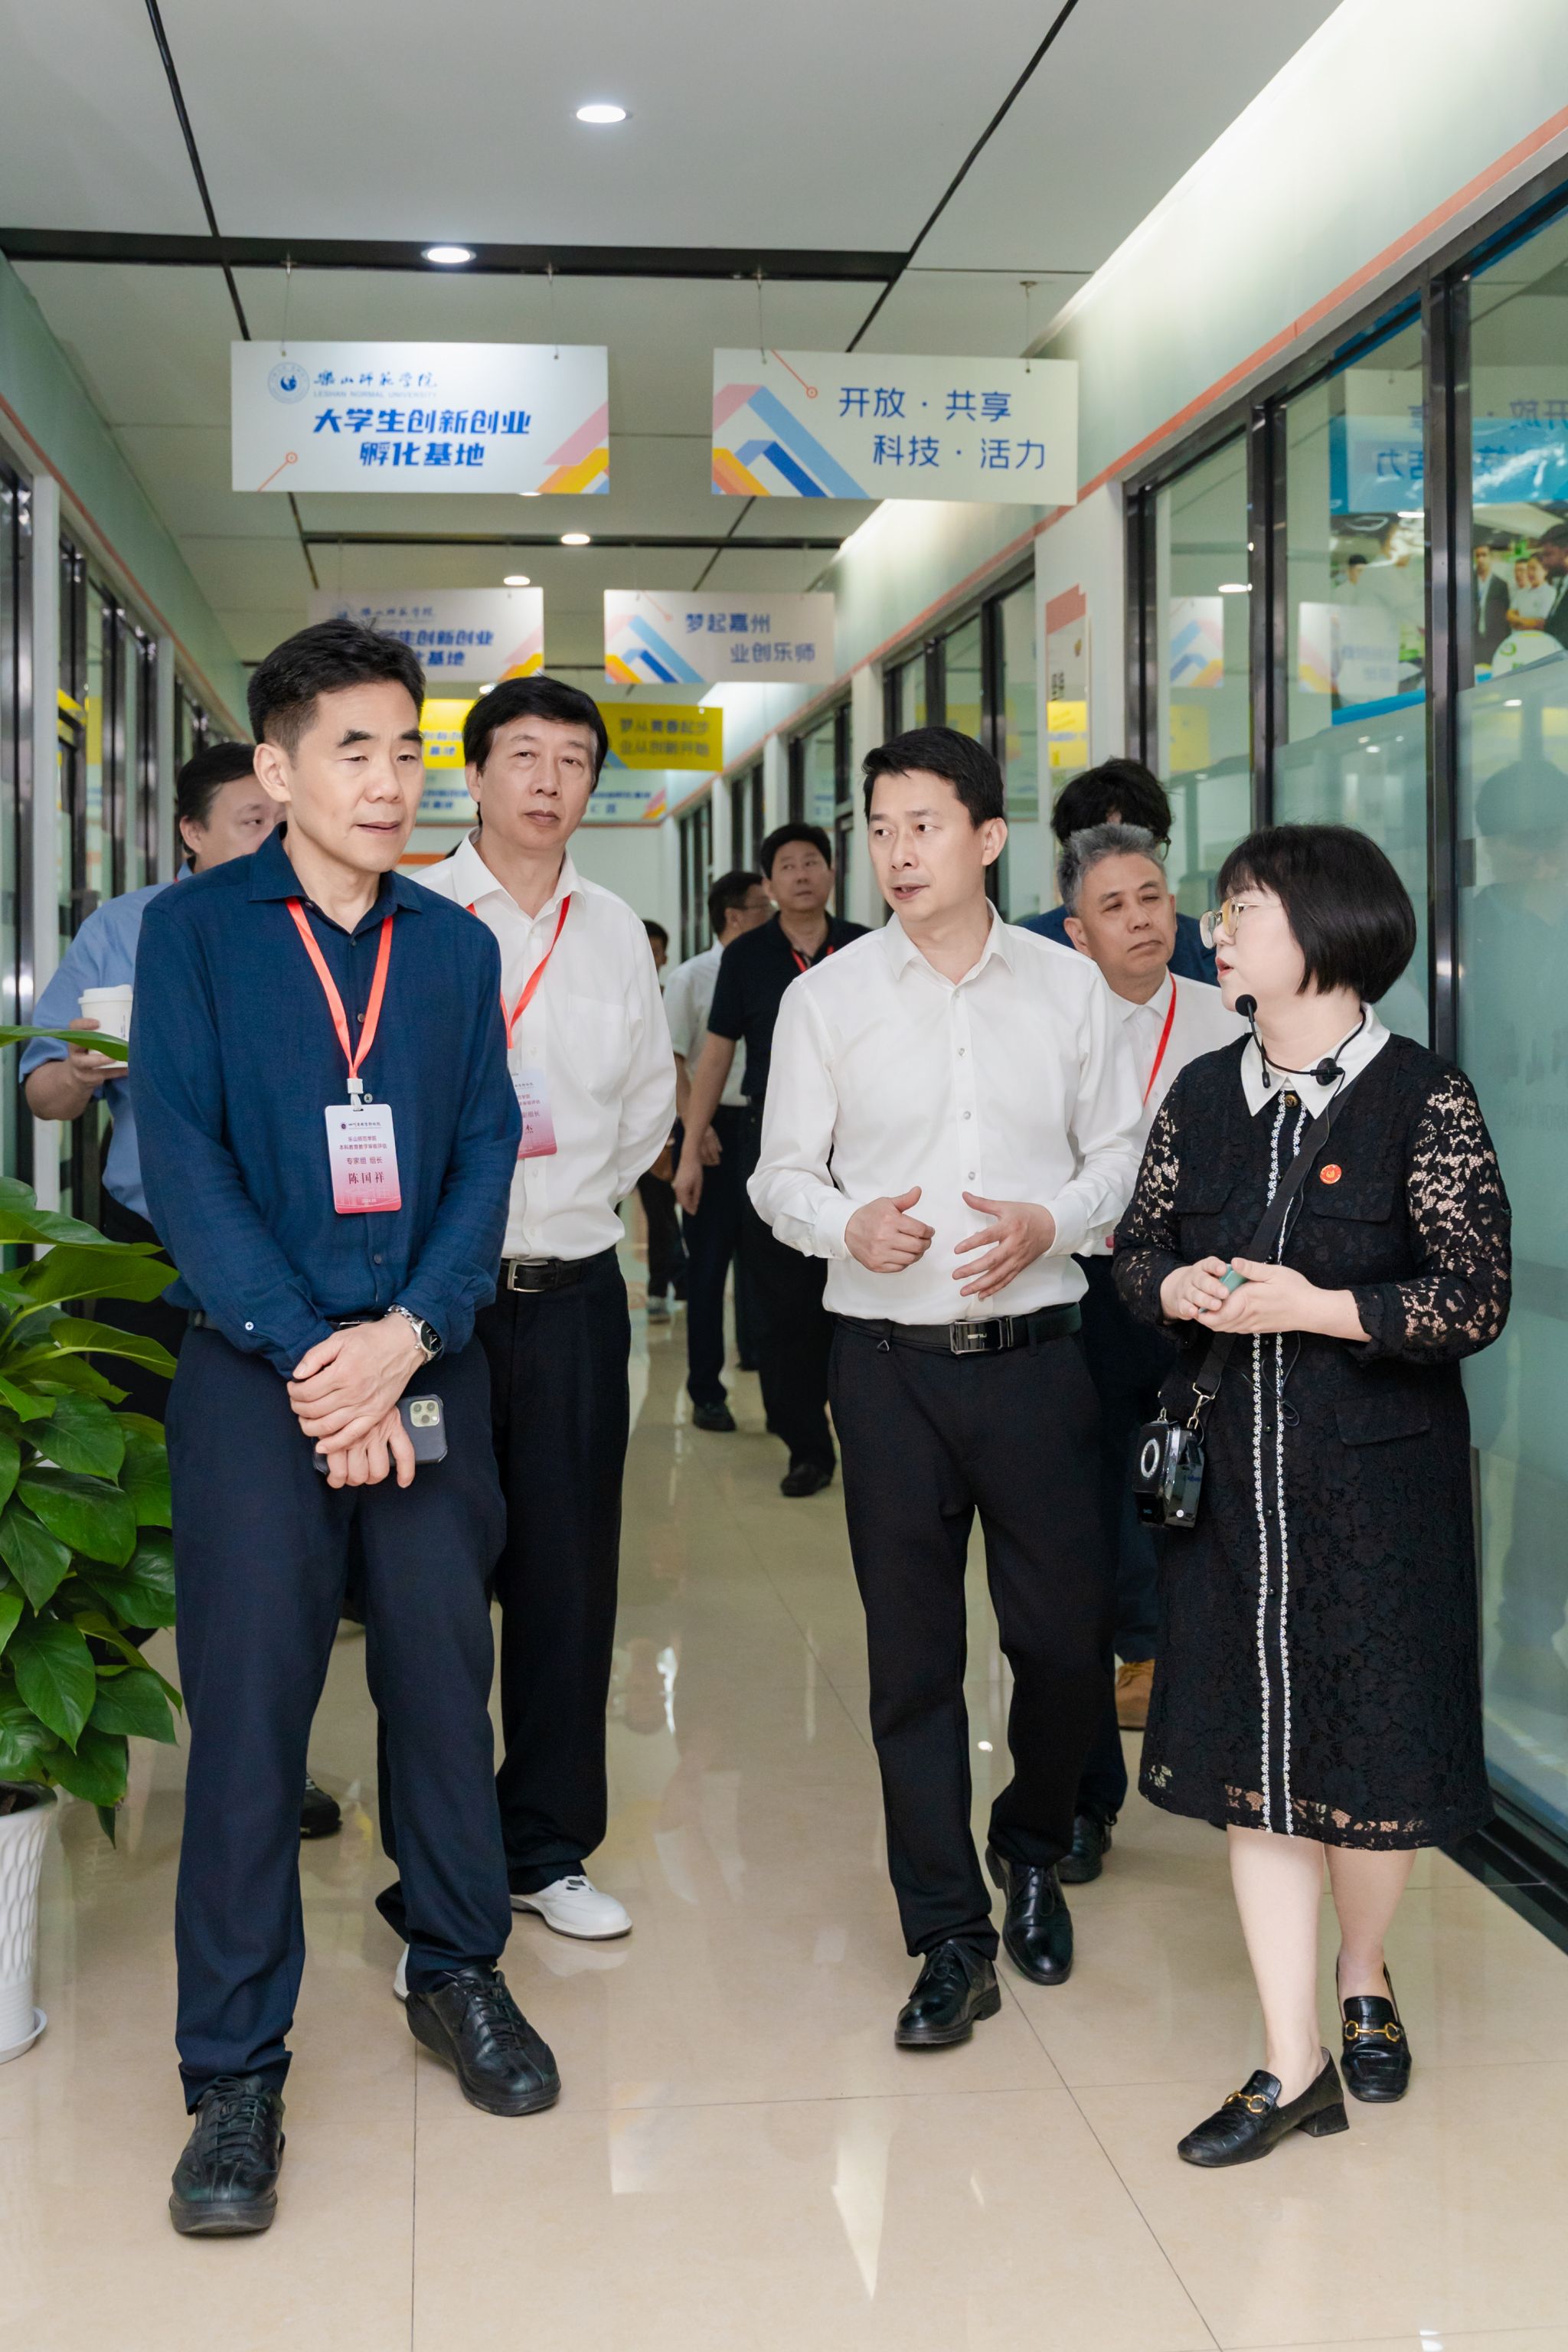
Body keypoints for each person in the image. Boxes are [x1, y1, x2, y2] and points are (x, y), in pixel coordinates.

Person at [136, 620, 557, 2240]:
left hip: (422, 1361)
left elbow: (481, 1150)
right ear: (279, 767)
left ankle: (456, 1968)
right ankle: (235, 2069)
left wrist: (405, 1340)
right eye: (353, 750)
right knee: (250, 1723)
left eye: (405, 750)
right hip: (261, 1382)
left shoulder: (447, 948)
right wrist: (323, 1362)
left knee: (445, 1690)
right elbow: (185, 1163)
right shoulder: (195, 935)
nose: (389, 782)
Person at [1111, 822, 1510, 2167]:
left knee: (1370, 1763)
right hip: (1231, 1487)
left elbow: (1472, 1295)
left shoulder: (1424, 1097)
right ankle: (1291, 2064)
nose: (1213, 932)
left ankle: (1362, 1967)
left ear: (1327, 932)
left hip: (1374, 1496)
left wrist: (1321, 1306)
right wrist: (1173, 1285)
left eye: (1243, 910)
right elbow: (1136, 1250)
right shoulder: (1200, 1093)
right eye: (1220, 910)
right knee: (1254, 1768)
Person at [751, 726, 1143, 2047]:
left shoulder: (1069, 988)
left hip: (1038, 1362)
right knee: (912, 1663)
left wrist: (1051, 1220)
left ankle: (1032, 1847)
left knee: (1061, 1642)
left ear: (987, 837)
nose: (897, 851)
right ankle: (947, 1933)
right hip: (886, 1371)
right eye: (880, 828)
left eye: (923, 824)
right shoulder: (828, 999)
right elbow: (780, 1174)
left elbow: (1118, 1152)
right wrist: (843, 1223)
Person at [23, 740, 340, 1843]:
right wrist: (83, 1068)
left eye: (280, 817)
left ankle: (264, 1766)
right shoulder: (126, 929)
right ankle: (86, 1736)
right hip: (151, 1254)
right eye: (250, 820)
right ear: (192, 835)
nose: (272, 836)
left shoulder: (323, 919)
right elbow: (44, 1093)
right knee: (132, 1506)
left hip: (292, 1255)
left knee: (275, 1528)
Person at [415, 675, 674, 1945]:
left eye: (573, 760)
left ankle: (547, 1848)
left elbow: (645, 1108)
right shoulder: (413, 914)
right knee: (432, 1588)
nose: (547, 781)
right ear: (473, 776)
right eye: (522, 755)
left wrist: (566, 1205)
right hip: (437, 1310)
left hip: (572, 1294)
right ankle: (442, 1861)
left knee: (569, 1584)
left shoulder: (614, 928)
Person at [1052, 823, 1246, 1880]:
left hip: (1197, 1306)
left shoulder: (1229, 1019)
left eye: (1153, 897)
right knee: (1075, 1555)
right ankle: (1086, 1797)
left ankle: (1219, 1773)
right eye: (1113, 906)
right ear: (1076, 931)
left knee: (1206, 1544)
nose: (1140, 919)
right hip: (1079, 1303)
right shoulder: (1046, 1023)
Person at [675, 822, 866, 1496]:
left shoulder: (867, 946)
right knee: (783, 1301)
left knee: (862, 1292)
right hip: (773, 1140)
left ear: (832, 872)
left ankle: (867, 1431)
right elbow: (716, 1055)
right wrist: (691, 1147)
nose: (802, 874)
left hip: (860, 1141)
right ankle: (806, 1444)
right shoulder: (747, 956)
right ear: (770, 883)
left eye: (813, 862)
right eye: (788, 865)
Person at [663, 867, 772, 1429]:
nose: (770, 916)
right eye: (761, 907)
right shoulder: (692, 977)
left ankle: (763, 1365)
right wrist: (695, 1125)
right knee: (707, 1267)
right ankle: (706, 1390)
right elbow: (672, 1059)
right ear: (734, 916)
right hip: (712, 1131)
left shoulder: (766, 966)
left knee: (767, 1263)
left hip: (765, 1127)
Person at [1020, 759, 1218, 982]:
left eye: (1146, 845)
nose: (1139, 920)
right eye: (1107, 844)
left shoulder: (1205, 948)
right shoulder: (1029, 949)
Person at [635, 916, 687, 1323]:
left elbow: (674, 1070)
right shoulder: (616, 997)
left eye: (656, 952)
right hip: (611, 1131)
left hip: (659, 1129)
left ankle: (659, 1289)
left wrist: (669, 1134)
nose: (650, 959)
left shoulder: (672, 1002)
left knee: (661, 1214)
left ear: (665, 957)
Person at [1473, 541, 1512, 665]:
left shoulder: (1501, 585)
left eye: (1484, 555)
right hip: (1472, 638)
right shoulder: (1467, 582)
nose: (1481, 559)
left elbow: (1505, 615)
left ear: (1490, 558)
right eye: (1478, 556)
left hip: (1494, 639)